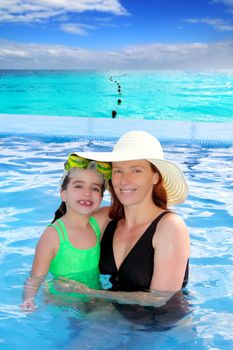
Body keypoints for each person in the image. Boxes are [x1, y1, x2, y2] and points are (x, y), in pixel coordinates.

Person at [58, 130, 190, 307]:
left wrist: (90, 293)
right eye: (118, 171)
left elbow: (161, 300)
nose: (124, 180)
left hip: (157, 326)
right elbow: (62, 234)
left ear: (155, 177)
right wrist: (81, 179)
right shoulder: (107, 220)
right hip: (109, 316)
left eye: (136, 170)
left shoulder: (170, 227)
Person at [20, 153, 111, 312]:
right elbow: (37, 276)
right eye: (78, 186)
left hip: (93, 296)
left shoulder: (97, 223)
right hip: (63, 300)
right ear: (63, 194)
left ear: (101, 197)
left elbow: (123, 205)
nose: (87, 193)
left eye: (95, 188)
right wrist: (29, 299)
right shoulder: (53, 235)